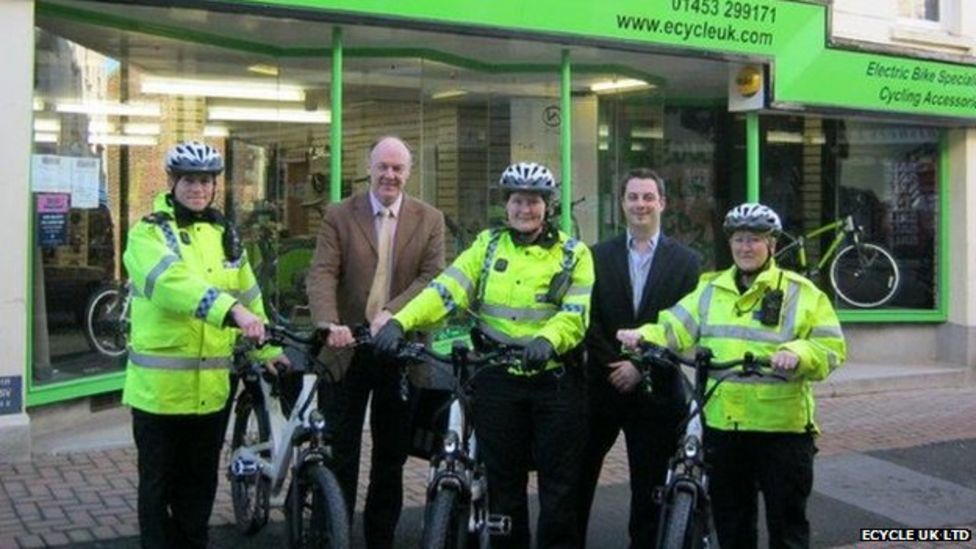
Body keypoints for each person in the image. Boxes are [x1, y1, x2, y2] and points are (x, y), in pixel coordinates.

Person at [374, 161, 595, 549]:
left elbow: (575, 315)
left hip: (554, 382)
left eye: (533, 202)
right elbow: (446, 290)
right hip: (497, 379)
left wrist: (547, 341)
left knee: (559, 492)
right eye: (517, 201)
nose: (524, 209)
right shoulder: (487, 246)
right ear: (506, 205)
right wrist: (399, 320)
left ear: (548, 207)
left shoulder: (573, 254)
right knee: (503, 487)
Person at [618, 203, 847, 549]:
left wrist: (797, 354)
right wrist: (645, 336)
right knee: (732, 523)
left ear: (770, 244)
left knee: (787, 526)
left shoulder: (802, 292)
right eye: (739, 240)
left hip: (782, 430)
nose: (745, 247)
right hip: (724, 429)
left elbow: (830, 347)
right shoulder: (711, 290)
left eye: (754, 240)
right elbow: (675, 326)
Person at [122, 141, 287, 549]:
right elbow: (170, 285)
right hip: (159, 396)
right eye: (190, 180)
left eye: (206, 180)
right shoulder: (147, 232)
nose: (198, 188)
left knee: (198, 494)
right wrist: (231, 312)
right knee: (157, 491)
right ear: (172, 182)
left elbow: (250, 298)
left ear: (215, 186)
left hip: (210, 395)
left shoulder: (225, 235)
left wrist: (267, 349)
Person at [305, 135, 445, 549]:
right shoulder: (339, 215)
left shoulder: (429, 218)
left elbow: (431, 279)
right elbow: (323, 272)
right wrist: (329, 323)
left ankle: (379, 538)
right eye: (383, 166)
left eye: (398, 168)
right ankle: (337, 532)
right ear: (369, 168)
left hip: (399, 352)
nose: (390, 175)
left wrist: (394, 316)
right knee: (340, 452)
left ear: (408, 172)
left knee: (391, 457)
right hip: (346, 347)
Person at [576, 168, 701, 548]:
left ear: (662, 203)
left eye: (648, 197)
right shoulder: (596, 256)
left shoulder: (687, 262)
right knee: (576, 480)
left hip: (656, 394)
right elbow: (588, 320)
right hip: (601, 387)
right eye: (633, 197)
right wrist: (614, 364)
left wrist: (640, 366)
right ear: (622, 203)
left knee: (649, 487)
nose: (640, 204)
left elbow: (685, 327)